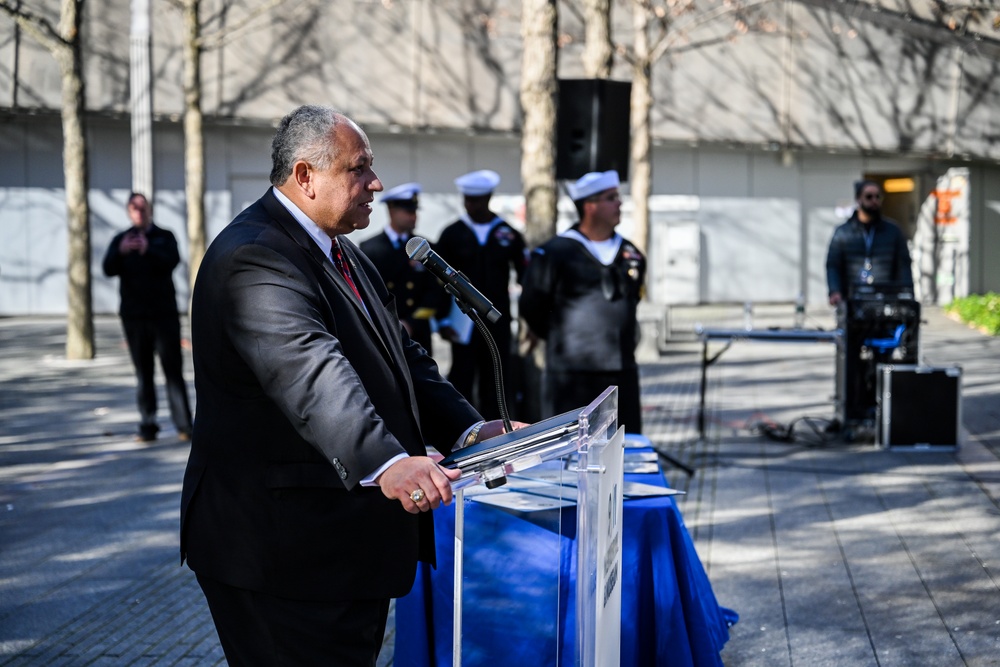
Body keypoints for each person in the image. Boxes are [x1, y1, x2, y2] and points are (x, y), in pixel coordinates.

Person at [179, 106, 516, 667]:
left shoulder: (339, 247)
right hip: (280, 552)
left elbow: (403, 357)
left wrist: (470, 427)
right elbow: (310, 374)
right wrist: (388, 462)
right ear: (306, 176)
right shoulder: (256, 255)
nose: (375, 184)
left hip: (339, 546)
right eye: (359, 169)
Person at [519, 170, 647, 434]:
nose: (619, 203)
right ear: (589, 206)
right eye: (611, 198)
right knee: (571, 452)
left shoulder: (630, 253)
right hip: (571, 373)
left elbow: (632, 301)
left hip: (621, 370)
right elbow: (532, 306)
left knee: (625, 447)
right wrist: (562, 339)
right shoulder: (554, 253)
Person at [433, 169, 527, 420]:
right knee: (462, 377)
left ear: (488, 199)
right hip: (463, 321)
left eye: (477, 200)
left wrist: (527, 321)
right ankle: (462, 429)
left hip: (498, 320)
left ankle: (498, 430)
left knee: (496, 378)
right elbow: (437, 281)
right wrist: (441, 320)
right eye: (468, 199)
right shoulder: (452, 234)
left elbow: (525, 275)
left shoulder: (507, 234)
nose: (471, 205)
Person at [102, 192, 193, 443]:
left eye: (143, 208)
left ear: (150, 210)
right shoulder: (121, 239)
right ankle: (147, 425)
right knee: (144, 373)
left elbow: (172, 260)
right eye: (134, 209)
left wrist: (148, 249)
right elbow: (107, 269)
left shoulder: (164, 237)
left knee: (172, 371)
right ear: (128, 212)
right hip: (134, 317)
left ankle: (185, 425)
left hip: (163, 315)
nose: (139, 213)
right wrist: (120, 252)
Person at [359, 182, 443, 351]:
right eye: (408, 211)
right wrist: (391, 322)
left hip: (418, 333)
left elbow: (435, 291)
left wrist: (411, 323)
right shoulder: (370, 249)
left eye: (415, 211)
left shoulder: (425, 247)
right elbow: (368, 292)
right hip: (385, 331)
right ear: (392, 211)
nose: (414, 217)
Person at [826, 179, 914, 306]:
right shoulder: (843, 232)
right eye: (869, 196)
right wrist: (835, 291)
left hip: (885, 300)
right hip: (852, 299)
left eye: (878, 196)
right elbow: (833, 265)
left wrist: (907, 293)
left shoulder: (893, 231)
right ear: (858, 199)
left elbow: (904, 265)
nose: (874, 201)